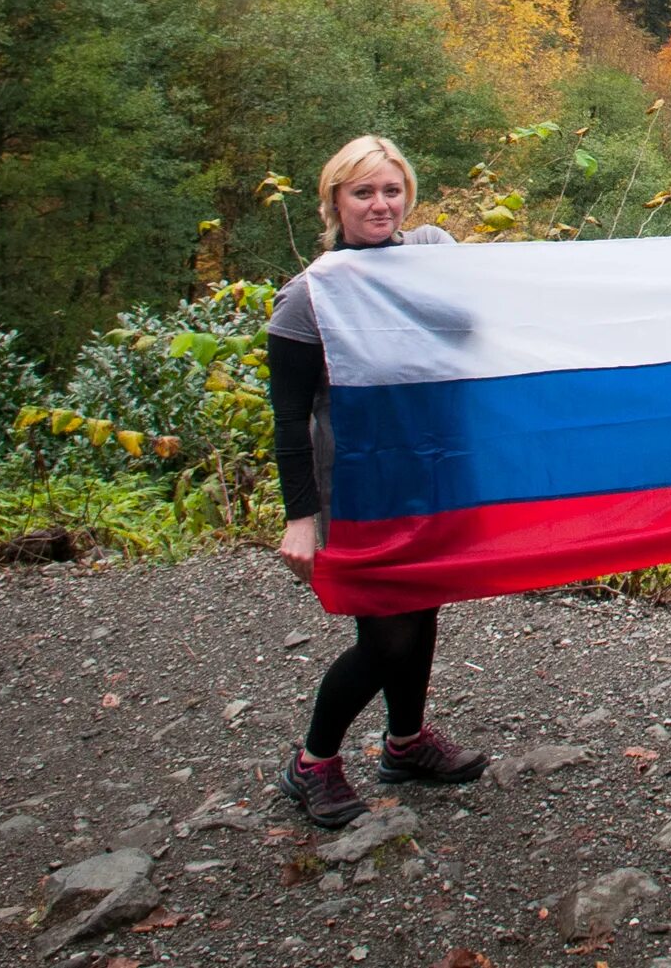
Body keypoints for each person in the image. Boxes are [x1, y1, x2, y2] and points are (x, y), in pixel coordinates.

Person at [268, 134, 491, 827]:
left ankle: (406, 741)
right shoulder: (308, 297)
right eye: (363, 191)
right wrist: (300, 516)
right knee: (387, 631)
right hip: (357, 479)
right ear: (334, 199)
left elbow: (473, 323)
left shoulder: (429, 254)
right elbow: (289, 420)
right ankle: (313, 764)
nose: (380, 203)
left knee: (420, 603)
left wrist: (431, 272)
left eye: (391, 189)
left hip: (426, 465)